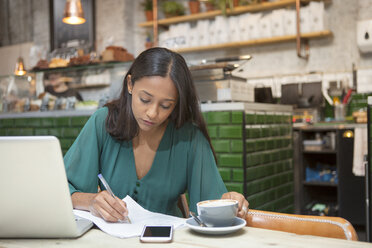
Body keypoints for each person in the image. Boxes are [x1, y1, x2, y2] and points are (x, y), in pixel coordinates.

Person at [64, 47, 249, 223]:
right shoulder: (103, 122)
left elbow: (212, 206)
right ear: (130, 84)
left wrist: (230, 201)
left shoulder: (190, 138)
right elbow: (59, 189)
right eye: (145, 99)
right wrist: (90, 201)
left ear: (177, 103)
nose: (152, 113)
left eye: (165, 105)